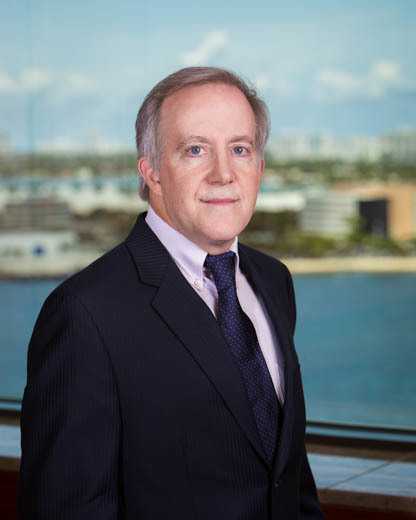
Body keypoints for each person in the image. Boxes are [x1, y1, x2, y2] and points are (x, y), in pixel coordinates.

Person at [19, 67, 324, 519]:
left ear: (259, 168)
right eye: (195, 150)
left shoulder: (273, 280)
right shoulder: (84, 313)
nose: (224, 174)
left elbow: (287, 474)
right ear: (152, 172)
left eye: (240, 149)